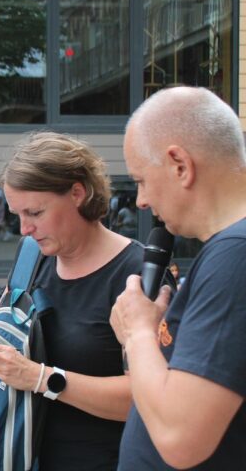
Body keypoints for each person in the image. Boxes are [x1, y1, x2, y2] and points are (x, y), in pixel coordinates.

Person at [0, 132, 143, 470]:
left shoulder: (135, 274)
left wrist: (41, 378)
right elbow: (30, 353)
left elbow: (147, 400)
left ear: (78, 193)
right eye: (17, 214)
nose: (24, 229)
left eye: (34, 212)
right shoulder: (31, 255)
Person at [111, 86, 246, 469]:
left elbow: (180, 438)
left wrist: (137, 331)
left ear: (180, 165)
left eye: (140, 179)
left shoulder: (235, 255)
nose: (141, 200)